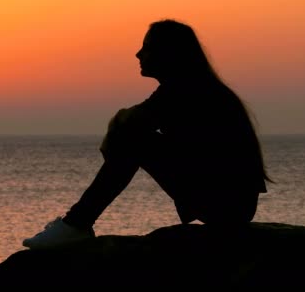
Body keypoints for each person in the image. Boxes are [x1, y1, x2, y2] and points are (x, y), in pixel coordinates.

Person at [23, 19, 270, 249]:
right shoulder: (188, 88)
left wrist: (118, 136)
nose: (138, 54)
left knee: (134, 141)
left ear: (169, 54)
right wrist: (121, 132)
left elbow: (131, 125)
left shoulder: (186, 90)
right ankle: (77, 223)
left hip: (225, 206)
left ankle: (77, 223)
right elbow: (135, 121)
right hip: (232, 206)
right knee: (133, 139)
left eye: (147, 47)